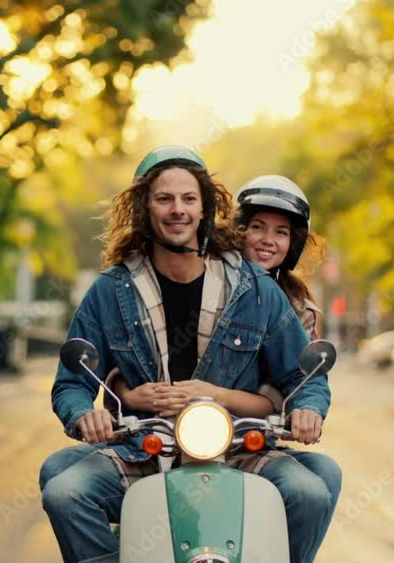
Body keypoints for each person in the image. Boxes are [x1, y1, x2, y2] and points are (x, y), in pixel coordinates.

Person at [41, 146, 331, 563]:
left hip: (237, 447)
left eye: (188, 199)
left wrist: (309, 409)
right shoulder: (110, 290)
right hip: (144, 444)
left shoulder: (254, 288)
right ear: (145, 209)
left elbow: (305, 376)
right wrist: (85, 413)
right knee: (65, 493)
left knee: (309, 492)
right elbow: (72, 382)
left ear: (204, 209)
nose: (177, 210)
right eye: (164, 199)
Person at [235, 174, 343, 560]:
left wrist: (305, 410)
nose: (268, 239)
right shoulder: (213, 283)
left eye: (281, 232)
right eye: (258, 227)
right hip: (196, 427)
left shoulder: (299, 306)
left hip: (254, 434)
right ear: (239, 231)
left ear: (293, 244)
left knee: (326, 475)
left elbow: (302, 378)